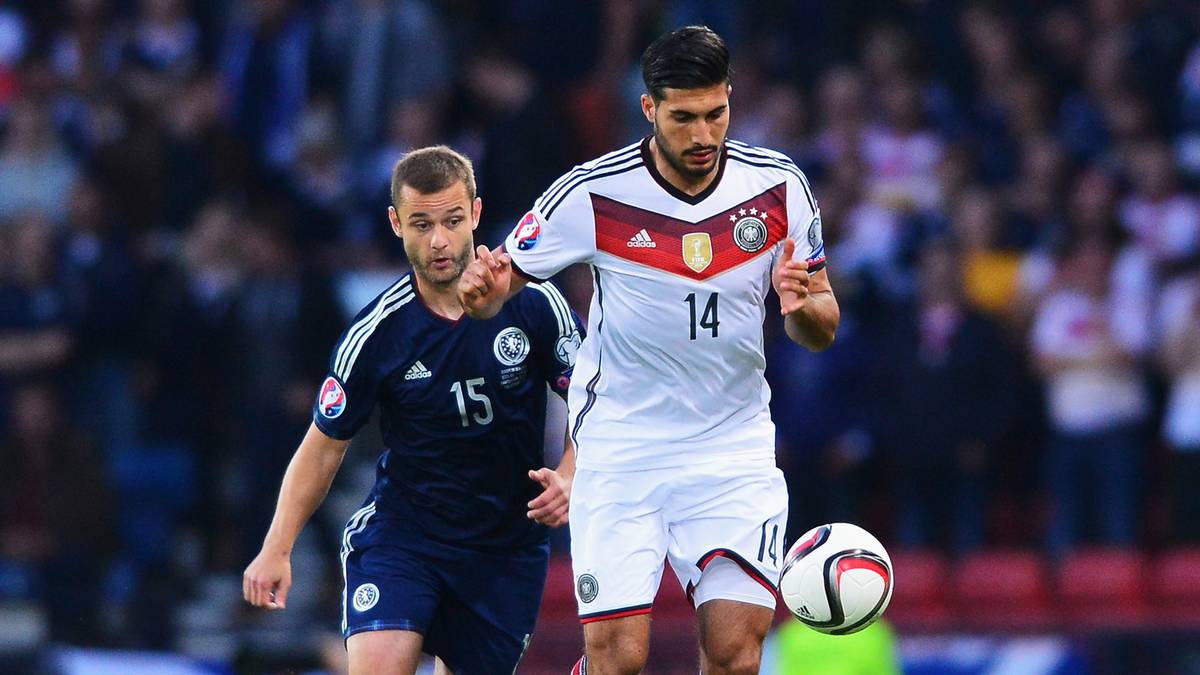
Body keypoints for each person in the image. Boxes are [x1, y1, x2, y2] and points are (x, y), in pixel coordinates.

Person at [458, 26, 839, 675]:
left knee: (736, 652)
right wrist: (482, 290)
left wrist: (803, 307)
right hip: (622, 447)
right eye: (683, 117)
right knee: (618, 661)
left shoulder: (778, 189)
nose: (701, 134)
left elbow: (822, 322)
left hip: (731, 447)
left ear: (730, 99)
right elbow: (499, 285)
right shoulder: (591, 192)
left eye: (715, 113)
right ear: (649, 109)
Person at [243, 146, 584, 675]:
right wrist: (277, 546)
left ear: (475, 212)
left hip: (504, 549)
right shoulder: (377, 333)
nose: (440, 241)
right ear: (396, 223)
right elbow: (323, 447)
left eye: (451, 220)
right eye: (421, 224)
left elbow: (595, 399)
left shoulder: (535, 301)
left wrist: (570, 472)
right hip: (406, 538)